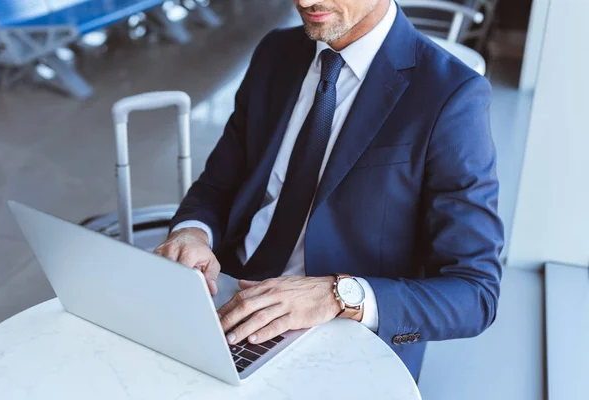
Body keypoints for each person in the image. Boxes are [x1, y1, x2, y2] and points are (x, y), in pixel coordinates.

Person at [155, 0, 504, 380]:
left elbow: (475, 293)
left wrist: (341, 296)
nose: (304, 1)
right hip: (227, 295)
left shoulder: (451, 95)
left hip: (345, 334)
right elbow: (219, 182)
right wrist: (192, 232)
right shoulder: (277, 51)